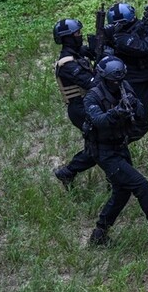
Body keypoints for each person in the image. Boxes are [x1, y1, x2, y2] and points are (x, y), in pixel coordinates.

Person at [84, 56, 148, 246]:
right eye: (114, 81)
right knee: (141, 185)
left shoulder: (124, 86)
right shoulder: (93, 96)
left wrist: (134, 105)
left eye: (120, 79)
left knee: (122, 192)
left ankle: (99, 234)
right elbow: (99, 121)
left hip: (120, 145)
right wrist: (116, 112)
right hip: (104, 151)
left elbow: (140, 113)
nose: (118, 84)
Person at [105, 1, 148, 122]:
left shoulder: (135, 27)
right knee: (140, 122)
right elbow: (147, 47)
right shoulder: (120, 40)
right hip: (136, 85)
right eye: (132, 19)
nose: (135, 20)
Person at [52, 18, 97, 187]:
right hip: (80, 109)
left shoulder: (77, 53)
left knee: (101, 145)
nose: (80, 36)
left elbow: (93, 52)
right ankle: (68, 172)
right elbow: (92, 83)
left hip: (87, 104)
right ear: (68, 38)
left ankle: (68, 172)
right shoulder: (67, 64)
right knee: (100, 147)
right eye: (77, 33)